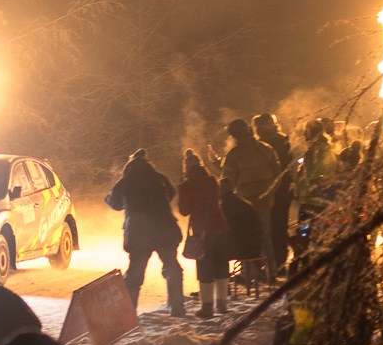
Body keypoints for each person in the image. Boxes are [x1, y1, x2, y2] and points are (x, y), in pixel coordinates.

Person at [104, 147, 187, 316]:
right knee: (172, 266)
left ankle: (129, 311)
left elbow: (115, 203)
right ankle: (177, 306)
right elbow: (171, 193)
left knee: (135, 271)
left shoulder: (126, 181)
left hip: (139, 232)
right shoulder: (159, 178)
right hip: (164, 228)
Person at [222, 118, 283, 288]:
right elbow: (278, 173)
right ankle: (271, 271)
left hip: (244, 202)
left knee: (244, 236)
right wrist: (270, 192)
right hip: (265, 199)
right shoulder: (265, 148)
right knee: (265, 235)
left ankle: (248, 273)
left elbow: (227, 181)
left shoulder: (234, 154)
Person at [176, 148, 229, 319]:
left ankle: (207, 307)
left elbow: (184, 211)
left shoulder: (186, 186)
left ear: (186, 168)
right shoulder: (212, 181)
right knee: (221, 263)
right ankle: (222, 304)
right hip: (220, 226)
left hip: (202, 230)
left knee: (204, 266)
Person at [254, 113, 296, 277]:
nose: (258, 130)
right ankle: (277, 261)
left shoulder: (276, 143)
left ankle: (278, 263)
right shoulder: (278, 141)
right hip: (278, 190)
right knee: (276, 227)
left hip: (278, 191)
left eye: (261, 126)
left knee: (276, 227)